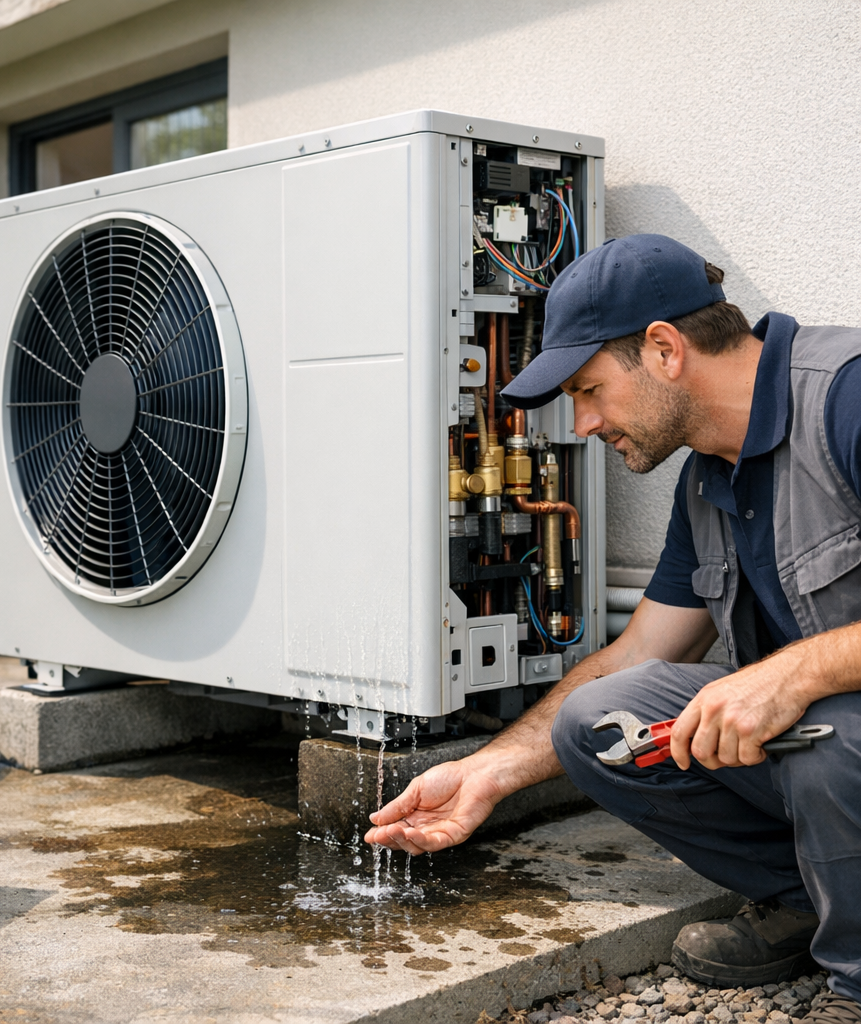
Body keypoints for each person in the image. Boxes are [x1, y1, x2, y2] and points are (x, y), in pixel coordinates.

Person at [365, 234, 861, 1020]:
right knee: (600, 721)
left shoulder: (847, 396)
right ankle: (818, 900)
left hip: (846, 742)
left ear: (664, 350)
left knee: (827, 729)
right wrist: (487, 772)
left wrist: (790, 675)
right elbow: (639, 652)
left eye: (591, 390)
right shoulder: (708, 478)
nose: (585, 423)